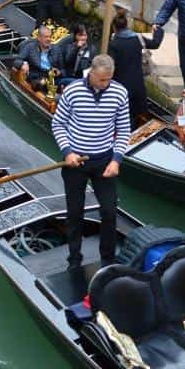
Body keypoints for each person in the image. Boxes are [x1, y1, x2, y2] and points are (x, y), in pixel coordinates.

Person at [52, 54, 130, 269]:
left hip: (104, 160)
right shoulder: (73, 90)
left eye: (109, 79)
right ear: (92, 73)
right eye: (102, 80)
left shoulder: (119, 92)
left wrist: (116, 161)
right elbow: (58, 124)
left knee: (109, 211)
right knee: (75, 212)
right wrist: (67, 152)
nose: (106, 84)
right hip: (75, 161)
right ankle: (74, 259)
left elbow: (123, 130)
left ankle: (107, 259)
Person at [108, 11, 150, 128]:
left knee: (124, 116)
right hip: (138, 84)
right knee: (133, 114)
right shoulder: (137, 39)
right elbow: (155, 43)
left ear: (114, 27)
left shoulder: (114, 43)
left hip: (122, 86)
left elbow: (111, 66)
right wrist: (159, 30)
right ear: (127, 25)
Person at [12, 25, 57, 91]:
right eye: (46, 37)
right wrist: (23, 63)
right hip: (36, 78)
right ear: (39, 38)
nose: (49, 39)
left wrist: (59, 72)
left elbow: (62, 69)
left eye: (50, 37)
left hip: (54, 78)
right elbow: (17, 61)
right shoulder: (30, 47)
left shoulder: (56, 49)